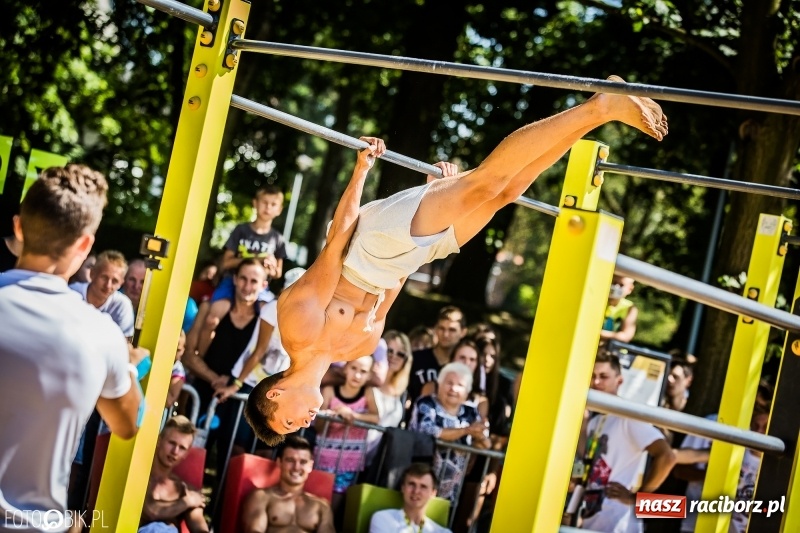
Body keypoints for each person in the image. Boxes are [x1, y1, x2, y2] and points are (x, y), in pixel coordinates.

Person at [245, 80, 668, 445]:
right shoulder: (358, 349)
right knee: (503, 194)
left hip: (369, 246)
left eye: (287, 422)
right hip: (402, 260)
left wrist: (361, 171)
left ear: (275, 395)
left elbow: (335, 244)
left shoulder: (297, 329)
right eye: (295, 429)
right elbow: (395, 285)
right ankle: (595, 114)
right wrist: (435, 198)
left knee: (484, 181)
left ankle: (602, 105)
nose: (302, 424)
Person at [0, 164, 142, 530]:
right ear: (85, 246)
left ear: (18, 227)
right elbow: (127, 424)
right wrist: (128, 363)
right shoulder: (102, 334)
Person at [572, 353, 676, 533]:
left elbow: (667, 456)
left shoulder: (628, 417)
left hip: (620, 524)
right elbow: (585, 461)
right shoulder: (596, 421)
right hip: (593, 518)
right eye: (592, 376)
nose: (596, 383)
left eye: (603, 377)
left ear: (619, 381)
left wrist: (638, 499)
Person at [189, 185, 287, 359]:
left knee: (271, 318)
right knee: (212, 318)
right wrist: (253, 258)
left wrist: (272, 268)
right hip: (233, 281)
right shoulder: (241, 230)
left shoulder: (278, 239)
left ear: (279, 210)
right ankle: (200, 360)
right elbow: (226, 262)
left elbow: (278, 273)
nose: (268, 207)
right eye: (264, 202)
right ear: (255, 204)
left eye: (273, 204)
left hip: (259, 288)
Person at [315, 355, 379, 512]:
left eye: (363, 371)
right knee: (316, 499)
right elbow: (319, 425)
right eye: (353, 368)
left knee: (335, 506)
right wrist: (330, 416)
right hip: (325, 457)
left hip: (350, 461)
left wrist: (352, 415)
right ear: (345, 369)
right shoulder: (330, 390)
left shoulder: (367, 393)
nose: (357, 375)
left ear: (369, 375)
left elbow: (375, 418)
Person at [239, 436, 335, 533]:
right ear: (279, 462)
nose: (296, 467)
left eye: (303, 462)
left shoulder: (322, 506)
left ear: (310, 466)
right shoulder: (262, 497)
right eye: (290, 460)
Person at [139, 416, 209, 533]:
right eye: (172, 443)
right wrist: (186, 502)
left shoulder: (184, 489)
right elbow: (151, 511)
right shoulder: (139, 476)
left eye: (182, 448)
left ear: (186, 453)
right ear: (159, 441)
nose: (175, 451)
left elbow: (199, 528)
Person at [70, 249, 136, 339]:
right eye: (104, 277)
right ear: (92, 274)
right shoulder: (72, 292)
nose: (108, 285)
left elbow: (125, 343)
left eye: (115, 281)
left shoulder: (122, 305)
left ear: (121, 283)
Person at [369, 463, 451, 533]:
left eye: (423, 486)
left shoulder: (443, 532)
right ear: (403, 488)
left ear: (433, 493)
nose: (416, 491)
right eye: (412, 484)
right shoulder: (383, 519)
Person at [600, 275, 638, 343]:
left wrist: (599, 333)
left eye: (621, 285)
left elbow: (626, 336)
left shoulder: (630, 308)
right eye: (614, 283)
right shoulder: (599, 301)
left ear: (630, 289)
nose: (616, 287)